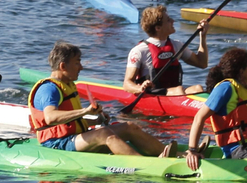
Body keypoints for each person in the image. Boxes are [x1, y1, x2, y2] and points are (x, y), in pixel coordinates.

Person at [30, 40, 171, 156]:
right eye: (77, 62)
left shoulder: (67, 85)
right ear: (63, 66)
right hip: (57, 143)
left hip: (73, 137)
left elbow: (67, 123)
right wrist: (85, 111)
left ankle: (167, 154)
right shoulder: (49, 89)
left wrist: (95, 119)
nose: (81, 67)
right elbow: (50, 118)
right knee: (103, 134)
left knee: (129, 127)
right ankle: (147, 164)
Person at [124, 4, 211, 96]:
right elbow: (127, 84)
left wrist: (203, 36)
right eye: (168, 20)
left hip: (175, 92)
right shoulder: (139, 51)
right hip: (153, 93)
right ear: (158, 28)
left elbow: (202, 63)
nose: (173, 21)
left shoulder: (177, 45)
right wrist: (140, 88)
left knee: (198, 88)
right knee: (179, 90)